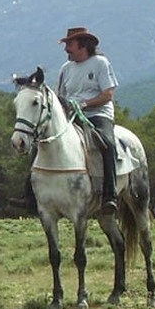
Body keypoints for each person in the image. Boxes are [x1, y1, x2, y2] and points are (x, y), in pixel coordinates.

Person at [57, 27, 119, 214]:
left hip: (98, 114)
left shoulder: (100, 63)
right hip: (71, 116)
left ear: (83, 44)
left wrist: (84, 104)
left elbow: (107, 94)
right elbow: (61, 96)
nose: (66, 48)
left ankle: (110, 194)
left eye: (70, 44)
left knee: (106, 143)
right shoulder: (66, 69)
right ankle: (31, 194)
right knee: (42, 142)